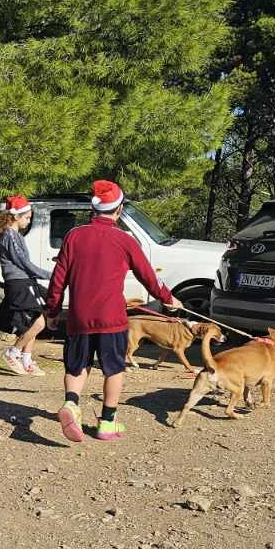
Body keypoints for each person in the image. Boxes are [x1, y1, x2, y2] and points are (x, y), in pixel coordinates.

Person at [44, 181, 180, 443]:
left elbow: (58, 278)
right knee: (114, 369)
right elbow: (149, 276)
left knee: (77, 366)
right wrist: (168, 298)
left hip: (79, 318)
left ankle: (71, 404)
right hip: (112, 319)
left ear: (93, 209)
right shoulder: (125, 240)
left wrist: (52, 310)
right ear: (119, 209)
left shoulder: (74, 236)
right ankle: (107, 422)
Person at [0, 196, 51, 376]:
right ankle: (13, 352)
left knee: (32, 322)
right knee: (38, 323)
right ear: (16, 216)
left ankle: (27, 360)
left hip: (25, 281)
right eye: (27, 217)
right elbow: (22, 262)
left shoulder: (16, 235)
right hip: (18, 283)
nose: (28, 221)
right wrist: (47, 274)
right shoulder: (10, 235)